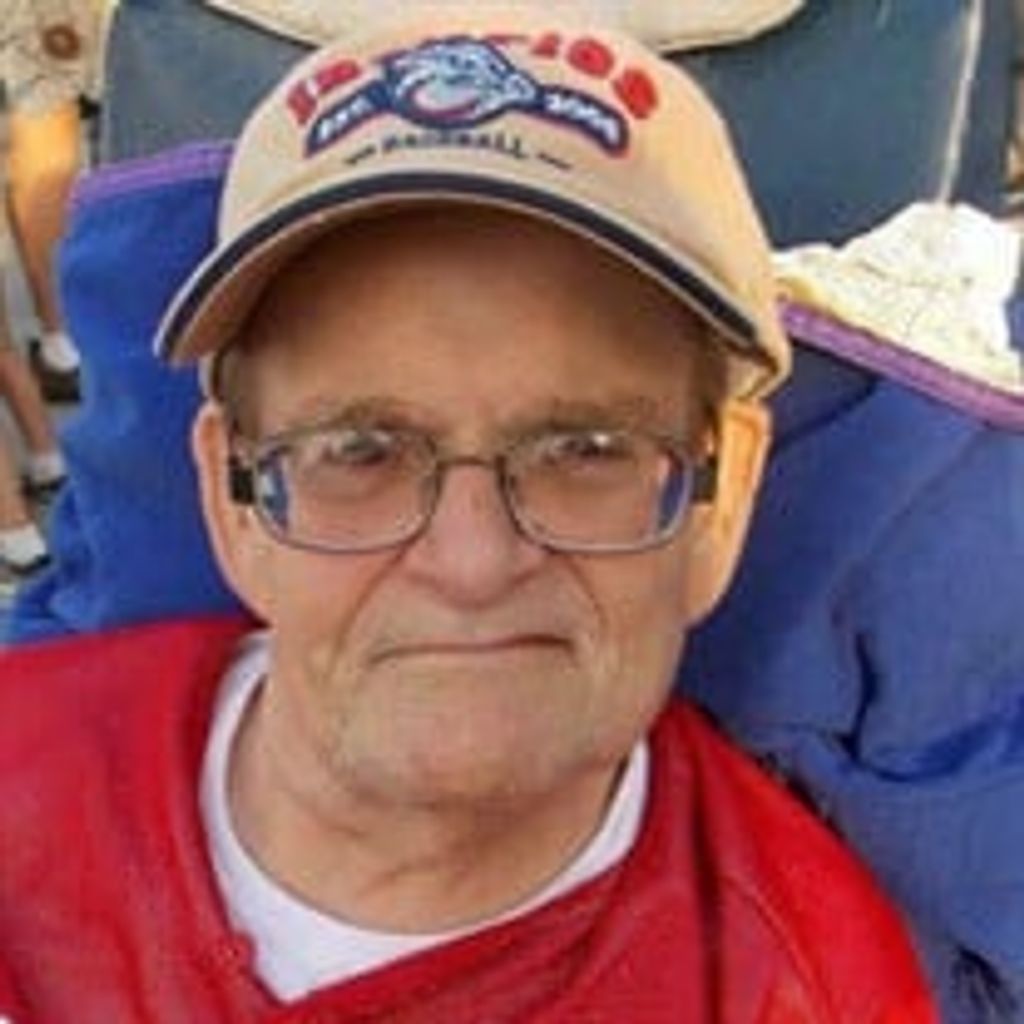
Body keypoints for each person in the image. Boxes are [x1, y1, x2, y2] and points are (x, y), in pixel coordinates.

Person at [0, 7, 937, 1019]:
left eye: (585, 450)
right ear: (233, 501)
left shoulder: (805, 988)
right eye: (361, 451)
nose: (473, 561)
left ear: (725, 496)